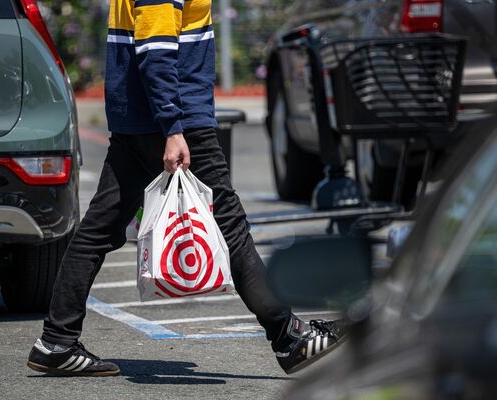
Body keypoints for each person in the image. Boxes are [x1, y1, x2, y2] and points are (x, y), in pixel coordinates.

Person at [27, 0, 344, 377]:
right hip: (176, 122)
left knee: (99, 228)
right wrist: (173, 128)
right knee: (230, 228)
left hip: (142, 119)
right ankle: (290, 338)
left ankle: (56, 341)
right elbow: (155, 50)